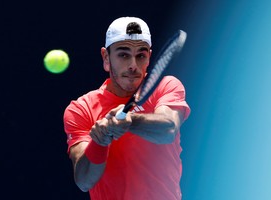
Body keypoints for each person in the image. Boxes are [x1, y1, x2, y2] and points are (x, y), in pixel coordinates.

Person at [63, 16, 190, 200]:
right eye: (123, 55)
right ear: (106, 58)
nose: (133, 65)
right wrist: (99, 142)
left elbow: (168, 127)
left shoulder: (166, 86)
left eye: (141, 55)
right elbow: (84, 181)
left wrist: (130, 121)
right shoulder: (81, 109)